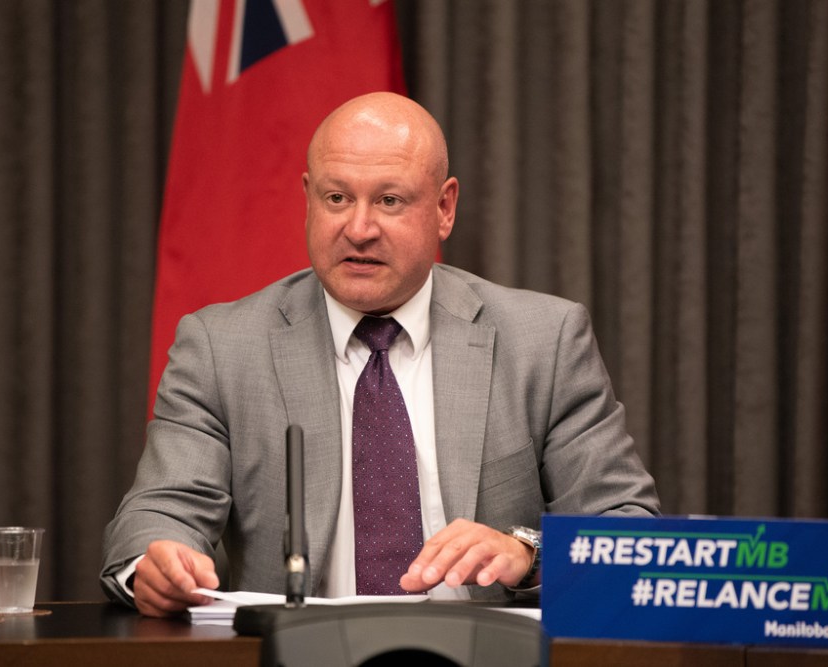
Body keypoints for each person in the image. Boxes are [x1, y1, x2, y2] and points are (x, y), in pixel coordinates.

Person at [100, 92, 660, 617]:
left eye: (390, 201)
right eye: (336, 198)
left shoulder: (544, 340)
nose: (358, 228)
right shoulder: (222, 347)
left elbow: (628, 531)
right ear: (307, 200)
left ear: (444, 208)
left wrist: (528, 554)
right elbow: (158, 513)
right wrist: (157, 563)